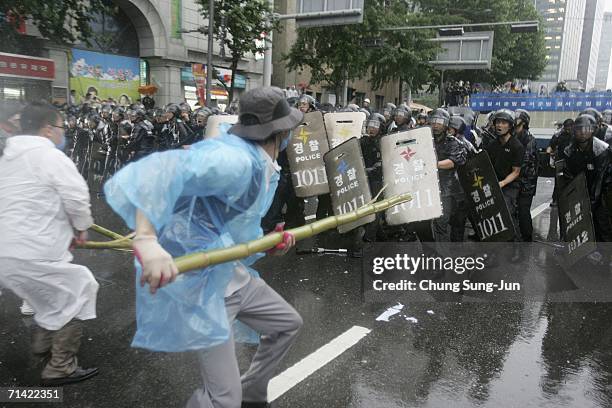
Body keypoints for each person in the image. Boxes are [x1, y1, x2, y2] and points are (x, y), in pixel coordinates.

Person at [104, 87, 303, 408]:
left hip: (230, 271)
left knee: (287, 325)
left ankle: (251, 394)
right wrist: (146, 240)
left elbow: (235, 227)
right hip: (205, 285)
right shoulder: (234, 159)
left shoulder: (261, 163)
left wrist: (268, 245)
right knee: (223, 399)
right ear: (282, 131)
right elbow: (155, 174)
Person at [0, 102, 99, 385]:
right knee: (79, 288)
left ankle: (42, 346)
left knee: (48, 295)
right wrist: (81, 227)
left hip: (7, 251)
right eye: (60, 128)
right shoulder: (49, 156)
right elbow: (76, 195)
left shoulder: (8, 157)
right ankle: (61, 366)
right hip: (34, 250)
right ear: (47, 129)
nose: (62, 134)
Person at [558, 114, 612, 242]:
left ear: (593, 130)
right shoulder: (569, 151)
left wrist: (591, 203)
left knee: (602, 223)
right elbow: (568, 177)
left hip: (602, 191)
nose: (583, 132)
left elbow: (600, 180)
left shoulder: (602, 150)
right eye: (579, 129)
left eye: (587, 128)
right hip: (580, 191)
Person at [484, 109, 525, 241]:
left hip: (510, 185)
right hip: (494, 183)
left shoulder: (516, 146)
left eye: (503, 123)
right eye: (497, 122)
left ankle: (515, 245)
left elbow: (516, 172)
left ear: (510, 125)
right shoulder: (492, 144)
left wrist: (502, 183)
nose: (499, 126)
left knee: (507, 212)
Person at [514, 109, 538, 242]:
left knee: (523, 212)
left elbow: (525, 162)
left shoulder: (529, 140)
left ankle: (527, 238)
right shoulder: (513, 136)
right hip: (514, 181)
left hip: (526, 184)